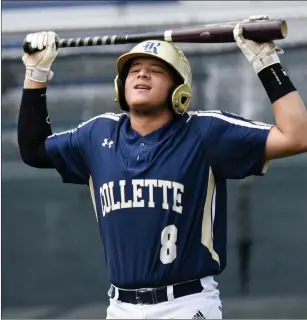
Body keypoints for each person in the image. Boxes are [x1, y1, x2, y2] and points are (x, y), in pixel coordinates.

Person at [18, 15, 307, 319]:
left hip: (186, 303)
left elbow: (297, 136)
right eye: (134, 70)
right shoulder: (97, 134)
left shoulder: (206, 133)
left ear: (178, 90)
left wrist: (265, 60)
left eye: (156, 70)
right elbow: (34, 150)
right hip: (120, 307)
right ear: (120, 85)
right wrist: (36, 74)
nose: (142, 75)